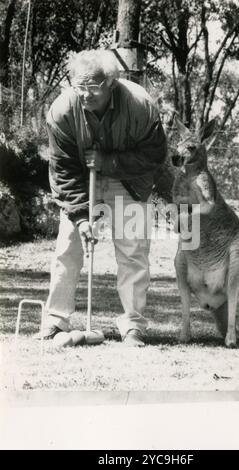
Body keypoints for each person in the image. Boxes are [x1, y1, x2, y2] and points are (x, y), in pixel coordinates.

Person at [38, 49, 167, 346]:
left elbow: (155, 154)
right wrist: (81, 217)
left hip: (130, 181)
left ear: (111, 83)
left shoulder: (139, 105)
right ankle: (55, 321)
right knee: (67, 248)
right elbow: (64, 170)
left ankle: (133, 325)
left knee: (133, 252)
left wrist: (109, 162)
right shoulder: (61, 111)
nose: (84, 95)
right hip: (82, 182)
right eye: (78, 87)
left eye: (92, 88)